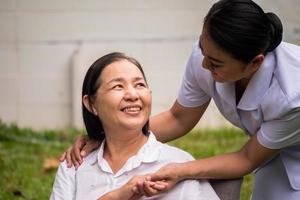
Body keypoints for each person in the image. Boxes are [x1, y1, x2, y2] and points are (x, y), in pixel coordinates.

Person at [61, 0, 300, 199]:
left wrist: (182, 171)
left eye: (215, 63)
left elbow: (246, 158)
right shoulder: (208, 55)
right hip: (270, 148)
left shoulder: (293, 94)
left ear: (255, 63)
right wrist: (107, 134)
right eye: (204, 51)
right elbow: (179, 117)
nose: (205, 65)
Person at [50, 52, 219, 200]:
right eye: (118, 86)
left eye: (139, 85)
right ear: (91, 104)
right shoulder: (75, 165)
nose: (133, 94)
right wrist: (118, 195)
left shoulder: (178, 165)